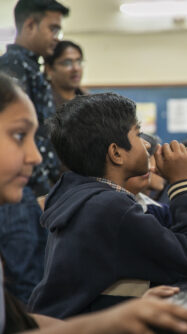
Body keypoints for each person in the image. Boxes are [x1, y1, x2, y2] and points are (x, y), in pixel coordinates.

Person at [0, 72, 187, 334]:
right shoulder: (105, 206)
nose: (36, 157)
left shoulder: (89, 198)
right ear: (115, 152)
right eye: (19, 135)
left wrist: (118, 313)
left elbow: (22, 324)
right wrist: (183, 183)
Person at [0, 0, 68, 303]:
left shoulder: (32, 67)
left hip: (34, 185)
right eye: (52, 28)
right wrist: (41, 188)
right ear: (29, 25)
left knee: (38, 270)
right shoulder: (12, 68)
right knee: (25, 275)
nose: (56, 36)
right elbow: (31, 137)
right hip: (23, 187)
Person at [44, 40, 86, 107]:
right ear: (49, 69)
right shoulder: (42, 102)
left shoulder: (87, 101)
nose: (76, 68)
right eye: (67, 63)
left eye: (79, 62)